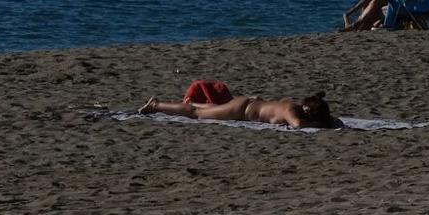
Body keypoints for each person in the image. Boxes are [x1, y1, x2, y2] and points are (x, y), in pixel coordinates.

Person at [137, 90, 337, 129]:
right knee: (195, 114)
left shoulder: (291, 105)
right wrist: (319, 124)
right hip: (242, 109)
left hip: (247, 104)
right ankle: (156, 105)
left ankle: (160, 104)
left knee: (208, 108)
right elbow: (297, 125)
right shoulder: (291, 111)